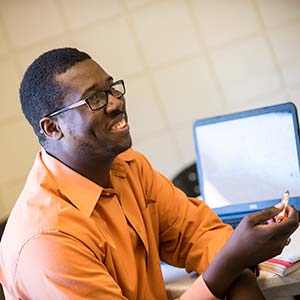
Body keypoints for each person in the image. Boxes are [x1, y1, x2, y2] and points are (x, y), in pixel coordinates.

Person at [0, 47, 298, 300]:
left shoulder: (127, 167)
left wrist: (238, 269)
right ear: (53, 128)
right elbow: (224, 258)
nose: (116, 102)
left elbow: (197, 234)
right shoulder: (48, 241)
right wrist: (230, 263)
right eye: (94, 98)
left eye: (111, 88)